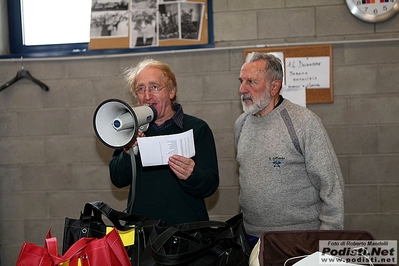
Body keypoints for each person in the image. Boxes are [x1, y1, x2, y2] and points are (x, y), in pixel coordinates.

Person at [235, 52, 344, 246]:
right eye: (241, 81)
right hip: (251, 236)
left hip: (298, 239)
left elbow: (332, 186)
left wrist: (327, 240)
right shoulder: (241, 124)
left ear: (274, 87)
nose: (242, 89)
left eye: (251, 82)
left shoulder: (304, 122)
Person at [109, 58, 219, 225]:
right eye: (140, 89)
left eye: (154, 87)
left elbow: (210, 185)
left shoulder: (197, 128)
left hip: (186, 233)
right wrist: (127, 153)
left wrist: (192, 175)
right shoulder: (131, 130)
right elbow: (118, 179)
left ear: (171, 91)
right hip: (143, 232)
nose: (147, 96)